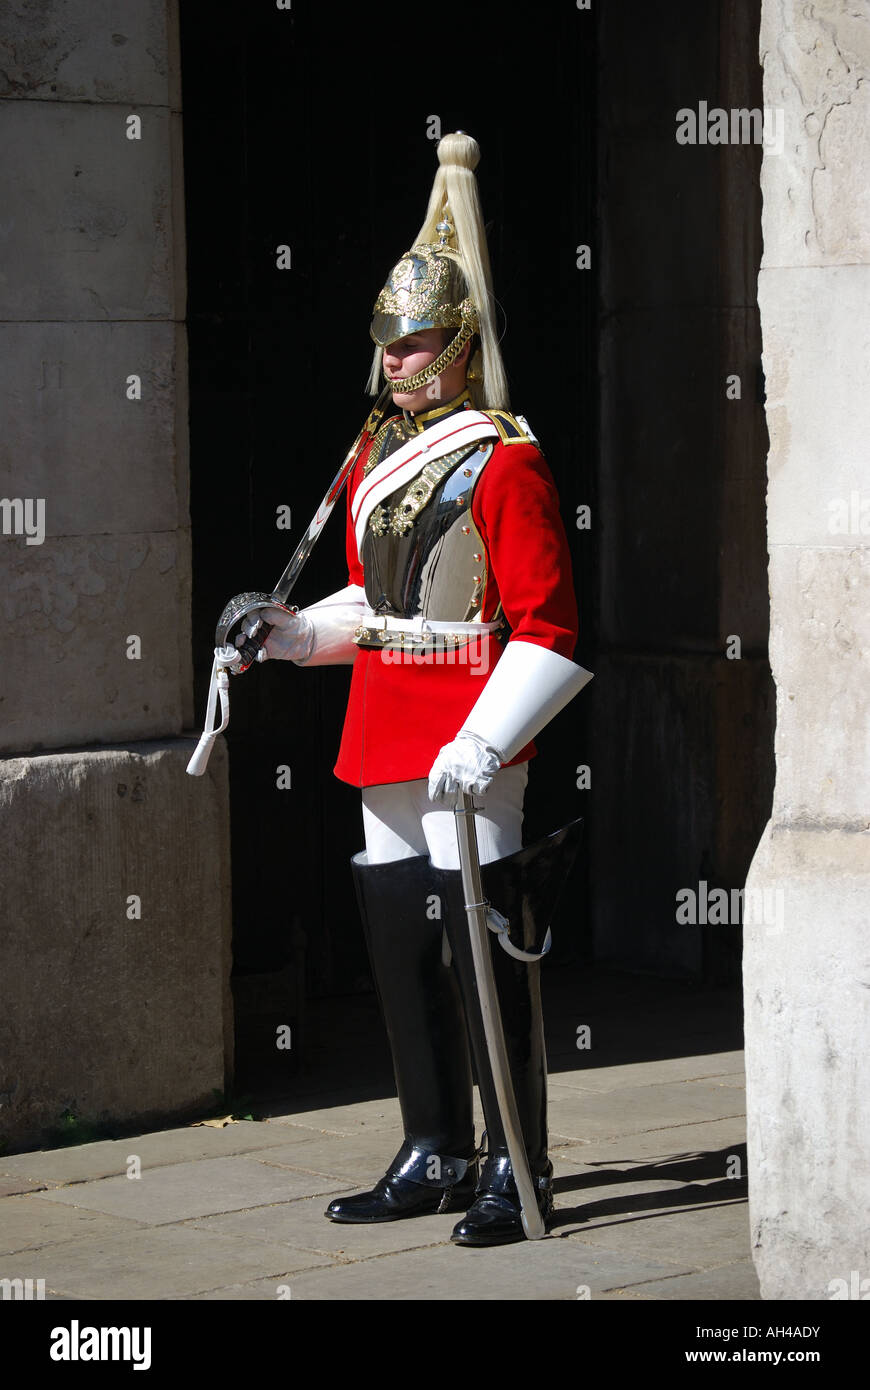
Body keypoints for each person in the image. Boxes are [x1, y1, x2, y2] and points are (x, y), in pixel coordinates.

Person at [239, 133, 592, 1245]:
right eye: (387, 340)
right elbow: (374, 605)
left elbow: (552, 627)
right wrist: (292, 635)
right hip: (386, 720)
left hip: (469, 721)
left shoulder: (506, 457)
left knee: (485, 950)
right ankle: (433, 1141)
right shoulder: (376, 454)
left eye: (417, 340)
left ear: (459, 344)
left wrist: (489, 741)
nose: (395, 358)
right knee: (402, 946)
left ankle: (512, 1161)